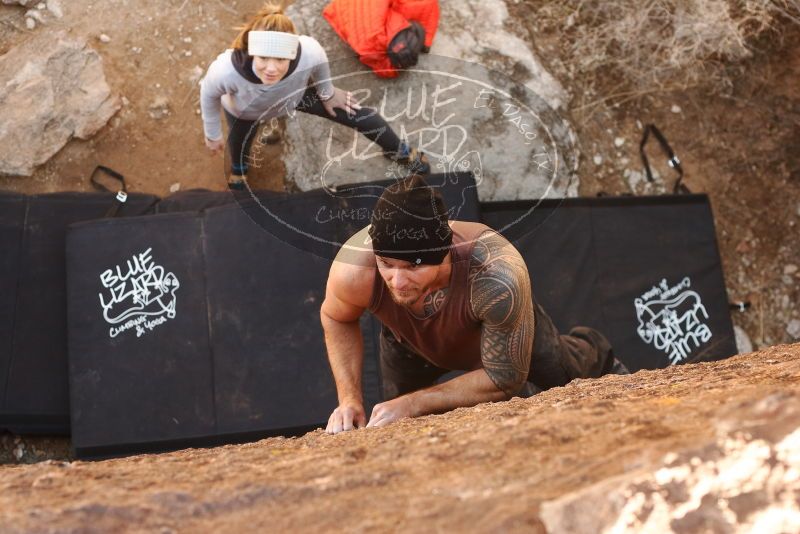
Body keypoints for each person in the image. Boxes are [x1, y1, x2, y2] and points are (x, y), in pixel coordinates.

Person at [321, 174, 628, 433]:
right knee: (394, 419)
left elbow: (504, 378)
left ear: (443, 254)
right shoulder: (355, 269)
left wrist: (415, 402)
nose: (397, 283)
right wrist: (349, 399)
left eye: (413, 266)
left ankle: (595, 351)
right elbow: (336, 317)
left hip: (496, 333)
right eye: (387, 264)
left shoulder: (496, 272)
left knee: (553, 381)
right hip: (409, 341)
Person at [200, 2, 429, 189]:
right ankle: (239, 171)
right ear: (251, 52)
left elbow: (320, 64)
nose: (271, 69)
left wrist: (327, 93)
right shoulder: (226, 71)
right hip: (244, 112)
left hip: (295, 97)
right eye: (263, 59)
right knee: (240, 143)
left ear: (292, 54)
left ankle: (397, 150)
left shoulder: (308, 51)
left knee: (359, 114)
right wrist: (212, 133)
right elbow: (208, 94)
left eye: (280, 60)